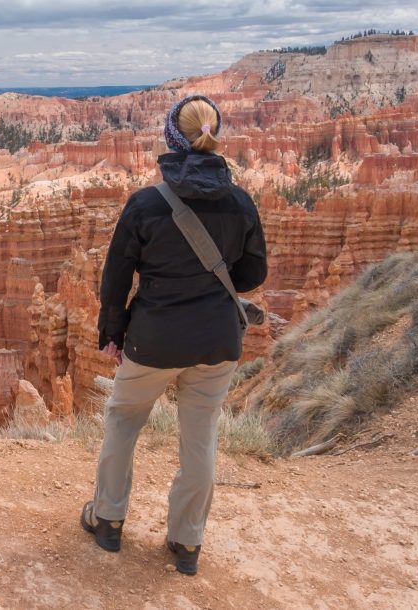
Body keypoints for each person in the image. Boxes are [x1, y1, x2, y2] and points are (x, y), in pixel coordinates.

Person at [80, 94, 268, 575]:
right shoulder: (241, 202)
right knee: (200, 438)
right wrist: (211, 277)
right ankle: (187, 544)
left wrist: (113, 330)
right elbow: (251, 275)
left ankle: (108, 521)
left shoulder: (146, 204)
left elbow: (117, 277)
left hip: (154, 339)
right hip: (216, 342)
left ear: (172, 137)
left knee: (124, 422)